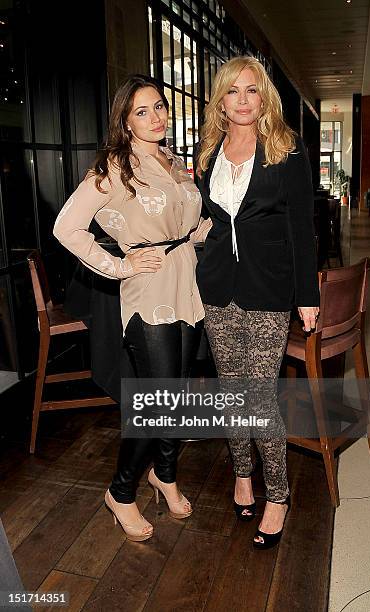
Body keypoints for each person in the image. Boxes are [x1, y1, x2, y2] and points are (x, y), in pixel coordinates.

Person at [53, 75, 211, 542]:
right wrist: (118, 266)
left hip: (187, 282)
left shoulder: (174, 160)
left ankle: (164, 475)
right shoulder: (113, 168)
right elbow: (67, 227)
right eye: (142, 111)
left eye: (160, 106)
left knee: (176, 397)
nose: (156, 117)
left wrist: (200, 232)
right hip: (149, 290)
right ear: (124, 120)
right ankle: (121, 493)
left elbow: (185, 221)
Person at [194, 56, 320, 549]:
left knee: (259, 396)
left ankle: (279, 494)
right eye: (233, 91)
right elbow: (208, 220)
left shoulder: (286, 150)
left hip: (270, 290)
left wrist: (306, 298)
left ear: (263, 96)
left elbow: (302, 232)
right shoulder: (208, 154)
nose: (242, 100)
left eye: (251, 90)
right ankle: (242, 473)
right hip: (217, 289)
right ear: (220, 100)